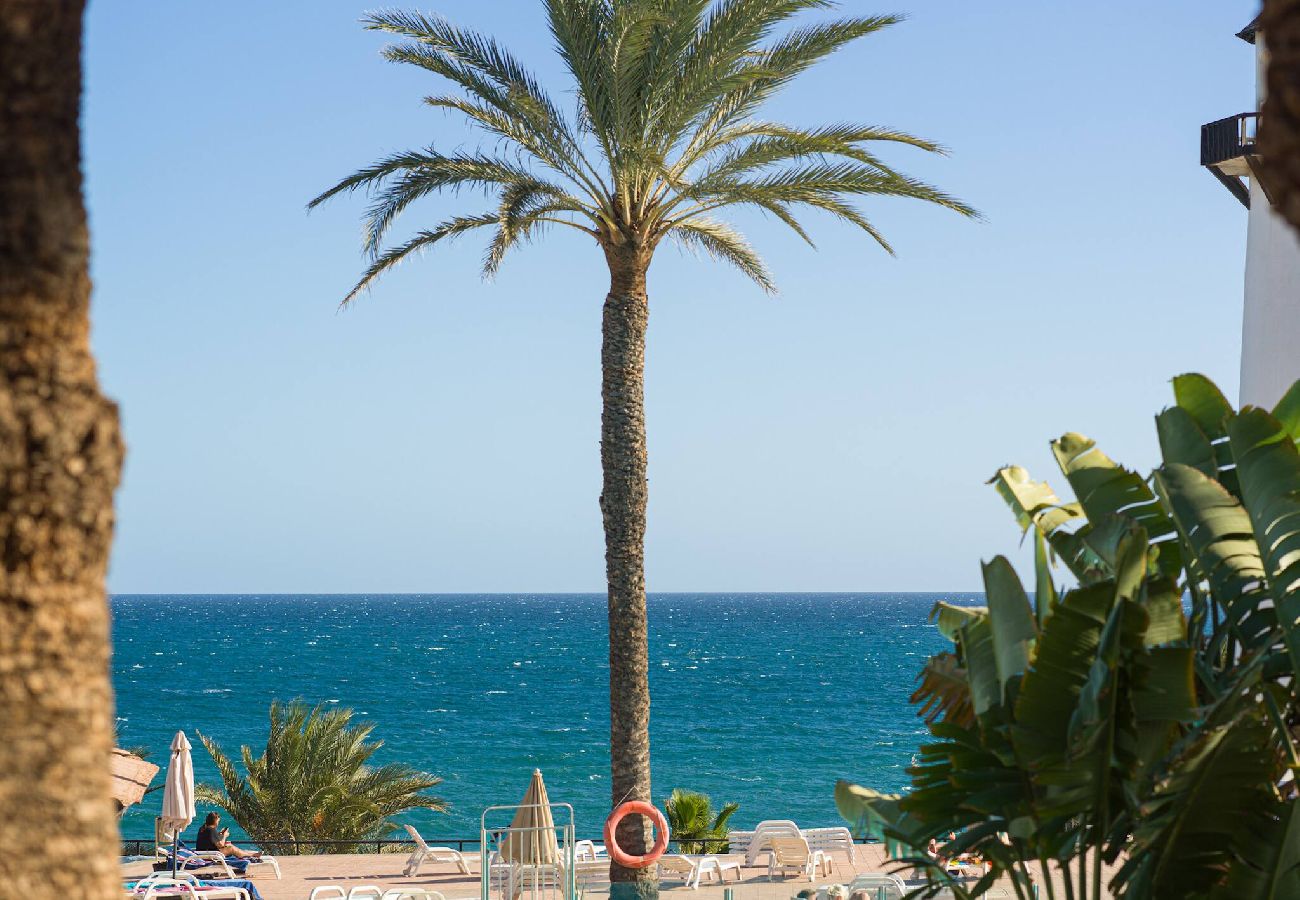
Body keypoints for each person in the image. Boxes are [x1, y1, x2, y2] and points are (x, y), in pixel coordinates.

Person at [195, 812, 260, 859]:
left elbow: (210, 839)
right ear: (215, 821)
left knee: (229, 845)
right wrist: (225, 835)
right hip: (210, 854)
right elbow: (221, 844)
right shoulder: (211, 829)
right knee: (231, 848)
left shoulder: (203, 828)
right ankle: (252, 855)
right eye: (218, 821)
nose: (218, 823)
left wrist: (220, 834)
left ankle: (248, 854)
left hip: (203, 852)